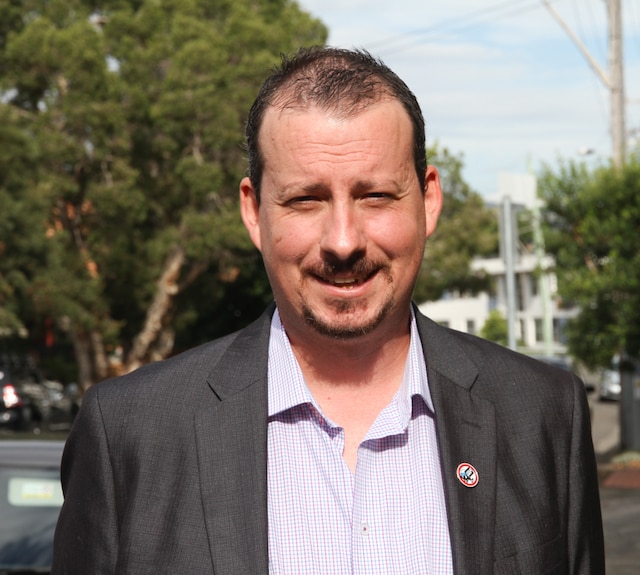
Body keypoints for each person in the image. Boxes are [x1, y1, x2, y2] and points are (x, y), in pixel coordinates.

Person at [53, 46, 605, 574]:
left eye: (375, 196)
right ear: (254, 212)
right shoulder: (129, 433)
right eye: (305, 200)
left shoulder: (542, 416)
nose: (343, 241)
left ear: (428, 199)